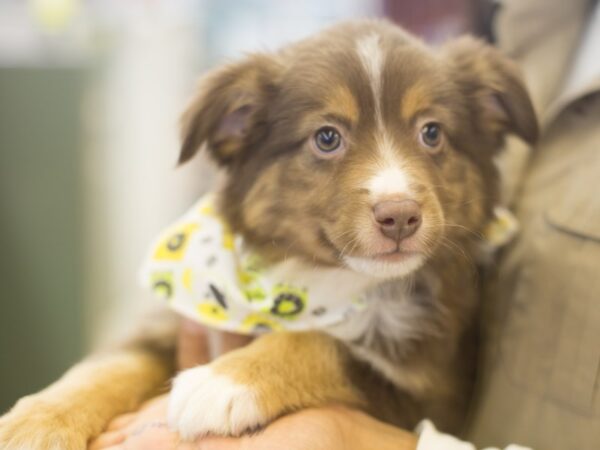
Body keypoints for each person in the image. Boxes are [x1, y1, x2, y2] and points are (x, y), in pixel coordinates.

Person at [90, 0, 600, 448]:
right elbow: (147, 350)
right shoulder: (210, 268)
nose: (395, 196)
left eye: (430, 133)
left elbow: (416, 389)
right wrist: (60, 409)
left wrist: (293, 366)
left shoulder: (435, 306)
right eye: (327, 139)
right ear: (236, 132)